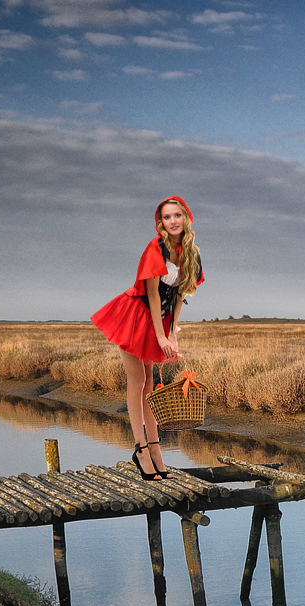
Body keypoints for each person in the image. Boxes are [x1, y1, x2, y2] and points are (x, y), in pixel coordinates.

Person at [90, 196, 205, 480]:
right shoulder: (155, 248)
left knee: (150, 384)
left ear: (186, 218)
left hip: (161, 319)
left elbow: (181, 295)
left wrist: (172, 333)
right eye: (167, 217)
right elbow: (152, 294)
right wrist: (159, 334)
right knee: (138, 380)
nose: (173, 221)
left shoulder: (192, 253)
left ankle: (156, 450)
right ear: (160, 222)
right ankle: (141, 450)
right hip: (134, 313)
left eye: (177, 215)